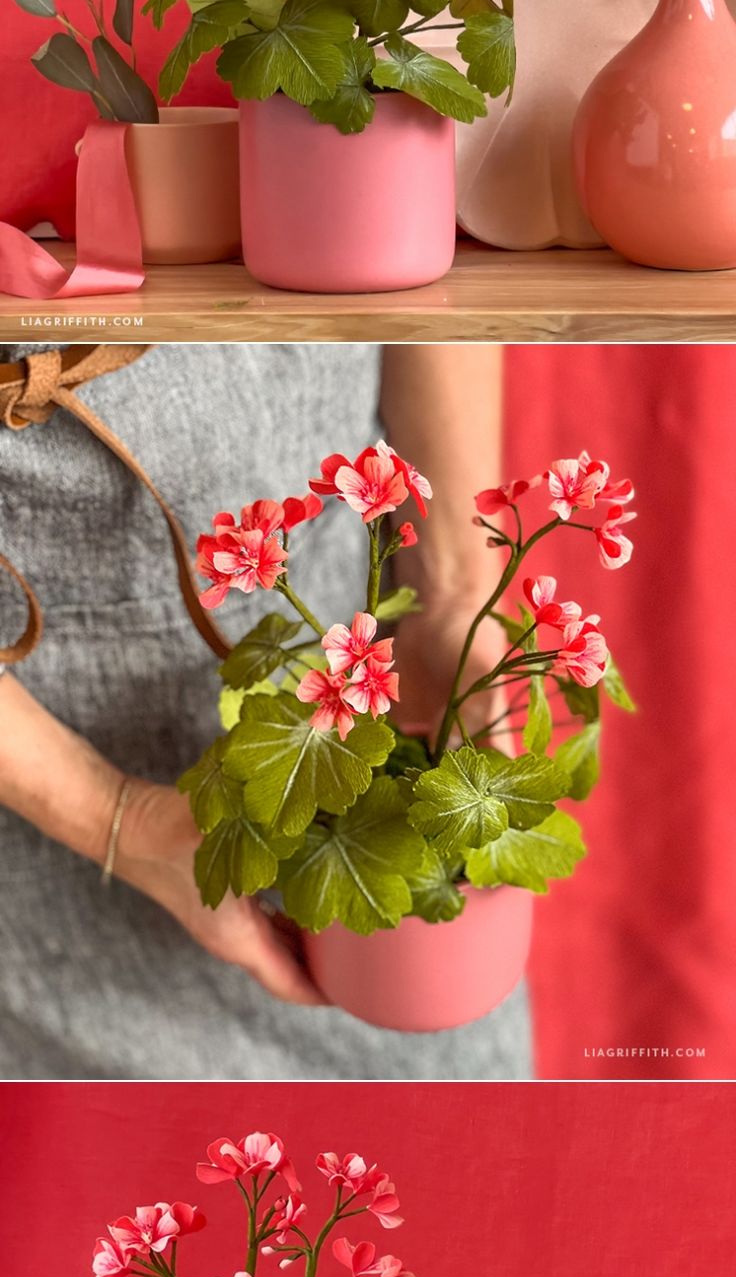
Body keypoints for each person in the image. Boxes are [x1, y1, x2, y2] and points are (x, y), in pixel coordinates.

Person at [0, 339, 532, 1081]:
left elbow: (421, 273)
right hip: (36, 818)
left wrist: (451, 598)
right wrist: (118, 816)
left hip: (347, 621)